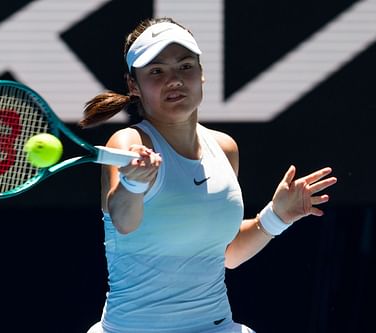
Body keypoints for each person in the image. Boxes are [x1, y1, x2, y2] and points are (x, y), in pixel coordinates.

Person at [79, 17, 337, 333]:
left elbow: (227, 253)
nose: (174, 80)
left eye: (185, 66)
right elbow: (124, 222)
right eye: (157, 71)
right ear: (134, 84)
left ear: (202, 74)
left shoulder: (224, 148)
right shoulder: (129, 143)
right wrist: (133, 182)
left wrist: (277, 216)